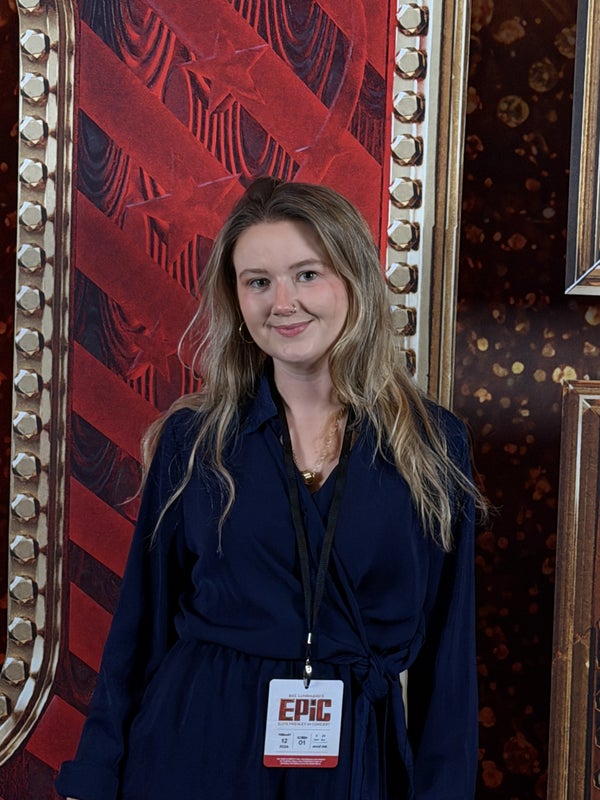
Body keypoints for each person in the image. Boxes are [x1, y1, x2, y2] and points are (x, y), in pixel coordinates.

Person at [56, 177, 484, 800]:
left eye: (307, 274)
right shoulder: (193, 440)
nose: (282, 303)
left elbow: (450, 658)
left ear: (354, 281)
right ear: (236, 300)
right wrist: (95, 778)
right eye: (258, 281)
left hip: (352, 759)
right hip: (194, 748)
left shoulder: (433, 444)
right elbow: (139, 629)